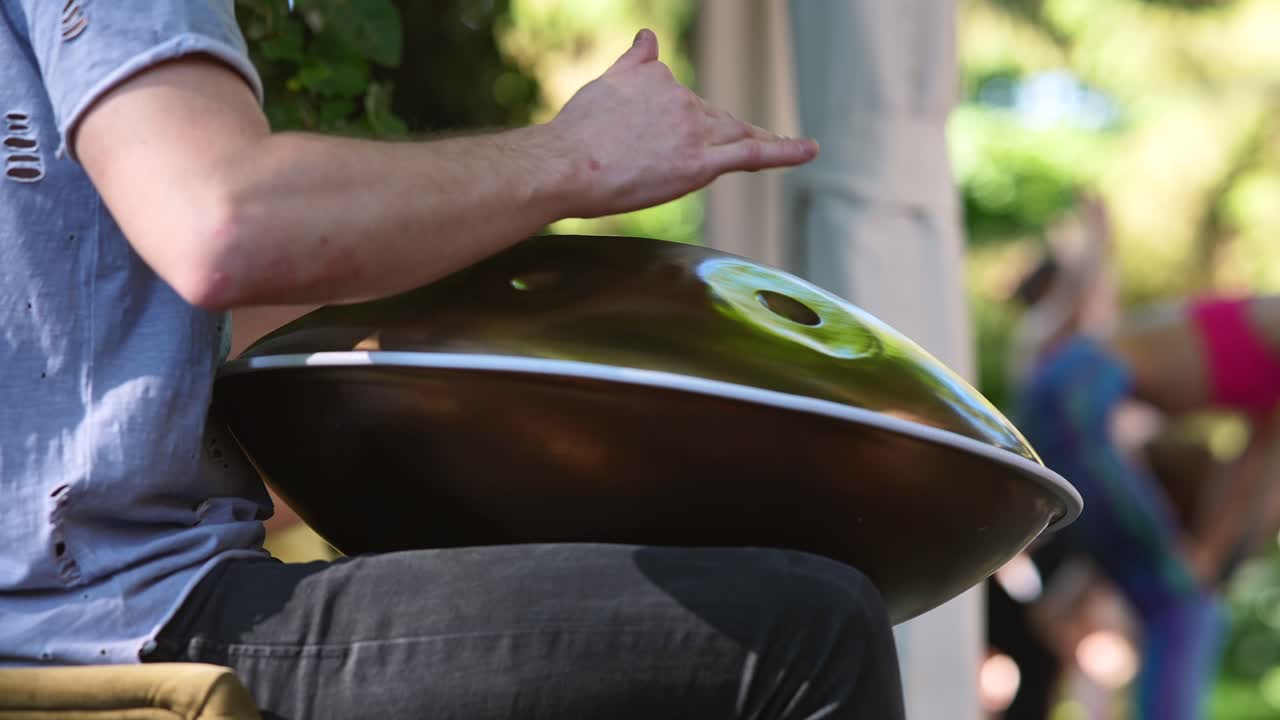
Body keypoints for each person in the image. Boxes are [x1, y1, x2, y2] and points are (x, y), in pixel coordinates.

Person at [0, 2, 907, 718]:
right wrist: (576, 156)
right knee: (811, 630)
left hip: (56, 617)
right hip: (124, 629)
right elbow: (224, 223)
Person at [1016, 289, 1280, 719]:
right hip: (1075, 400)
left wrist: (1204, 559)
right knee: (1185, 610)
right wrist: (1204, 564)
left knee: (1186, 602)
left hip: (1069, 396)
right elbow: (1259, 483)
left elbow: (1249, 473)